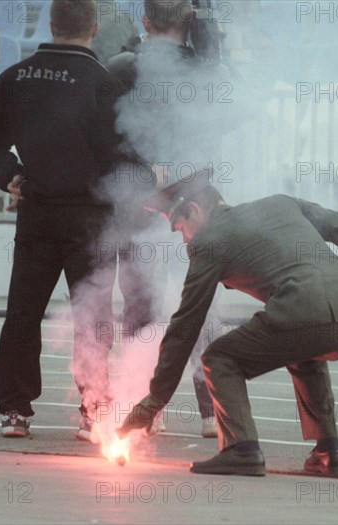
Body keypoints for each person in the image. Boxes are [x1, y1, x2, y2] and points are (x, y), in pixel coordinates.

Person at [116, 172, 338, 476]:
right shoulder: (282, 204)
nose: (183, 239)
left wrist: (155, 400)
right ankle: (328, 452)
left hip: (306, 311)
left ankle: (241, 449)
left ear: (193, 209)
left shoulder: (208, 241)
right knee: (303, 349)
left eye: (179, 228)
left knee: (219, 358)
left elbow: (186, 324)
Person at [0, 0, 127, 439]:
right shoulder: (103, 83)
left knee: (23, 310)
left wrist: (10, 175)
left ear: (51, 24)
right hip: (90, 218)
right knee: (92, 313)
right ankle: (93, 409)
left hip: (36, 209)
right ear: (94, 28)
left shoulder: (16, 77)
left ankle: (15, 411)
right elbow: (122, 158)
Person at [106, 0, 226, 438]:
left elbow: (106, 126)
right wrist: (207, 32)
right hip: (195, 199)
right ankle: (212, 411)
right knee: (200, 305)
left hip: (139, 199)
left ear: (145, 19)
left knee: (140, 303)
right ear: (188, 21)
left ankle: (143, 408)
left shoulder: (125, 65)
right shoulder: (203, 68)